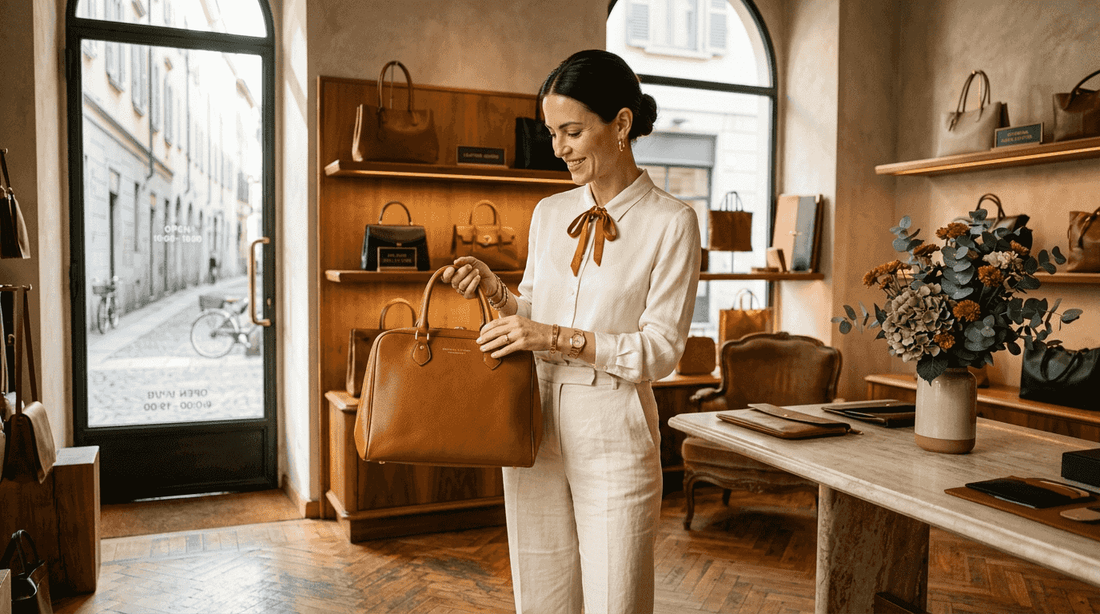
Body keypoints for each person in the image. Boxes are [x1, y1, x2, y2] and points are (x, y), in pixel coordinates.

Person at [442, 50, 701, 613]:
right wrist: (495, 291)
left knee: (616, 599)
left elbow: (660, 352)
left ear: (622, 124)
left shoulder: (672, 222)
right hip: (532, 422)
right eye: (552, 132)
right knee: (542, 597)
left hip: (614, 430)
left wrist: (554, 338)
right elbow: (532, 309)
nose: (559, 148)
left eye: (573, 131)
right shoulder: (548, 212)